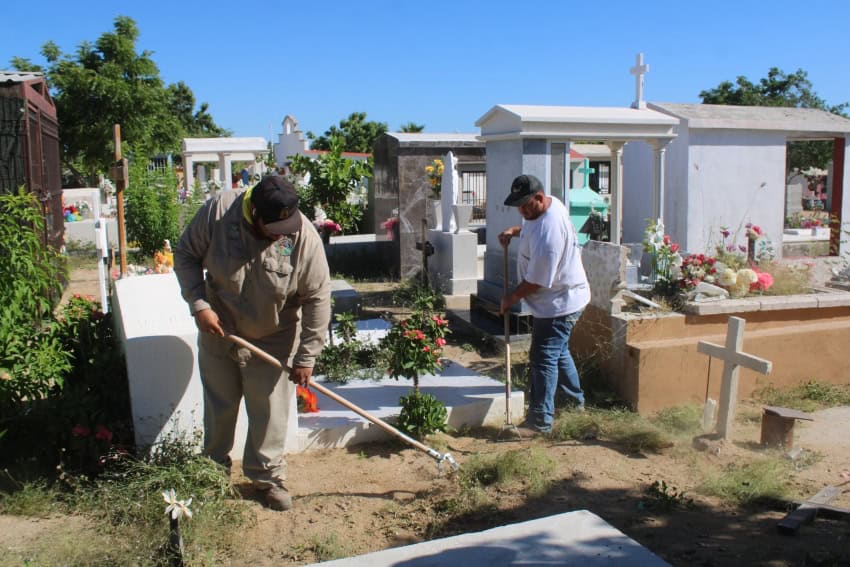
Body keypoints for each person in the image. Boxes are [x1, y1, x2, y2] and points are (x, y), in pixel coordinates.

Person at [173, 175, 331, 511]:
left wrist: (307, 356)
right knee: (220, 407)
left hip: (272, 337)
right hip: (220, 331)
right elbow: (186, 254)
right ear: (253, 211)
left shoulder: (302, 235)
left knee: (270, 413)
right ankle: (212, 474)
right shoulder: (218, 212)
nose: (282, 233)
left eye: (287, 225)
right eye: (274, 226)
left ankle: (267, 479)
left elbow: (318, 296)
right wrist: (199, 305)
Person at [498, 174, 590, 435]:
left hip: (559, 303)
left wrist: (510, 299)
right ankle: (573, 406)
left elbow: (537, 280)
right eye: (519, 206)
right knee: (558, 353)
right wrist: (514, 232)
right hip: (560, 300)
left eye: (526, 205)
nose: (522, 211)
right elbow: (529, 228)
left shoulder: (551, 233)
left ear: (539, 198)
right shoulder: (545, 208)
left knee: (543, 357)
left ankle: (539, 422)